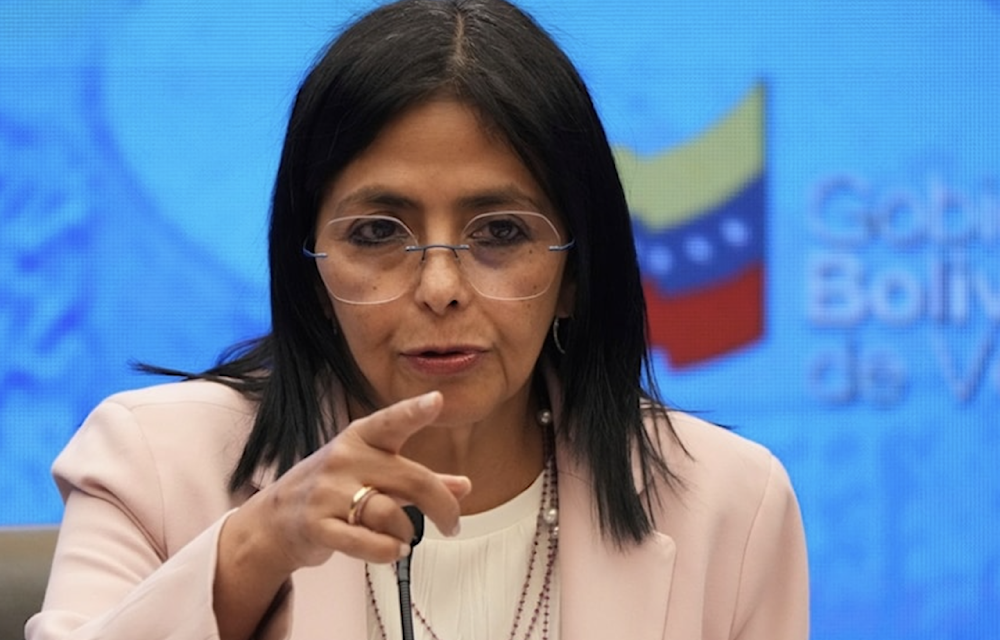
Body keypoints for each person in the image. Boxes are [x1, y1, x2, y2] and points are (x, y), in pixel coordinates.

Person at [26, 0, 809, 639]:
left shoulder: (730, 506)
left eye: (501, 232)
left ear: (575, 273)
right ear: (310, 268)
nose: (440, 287)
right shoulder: (153, 466)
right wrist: (254, 551)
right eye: (377, 234)